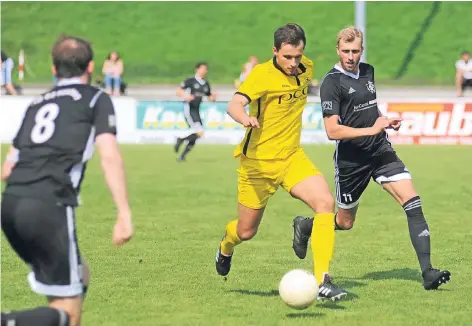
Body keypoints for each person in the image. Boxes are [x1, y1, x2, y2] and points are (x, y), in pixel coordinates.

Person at [291, 26, 451, 291]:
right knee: (345, 222)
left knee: (413, 202)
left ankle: (428, 273)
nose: (351, 56)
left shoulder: (368, 71)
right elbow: (332, 131)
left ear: (362, 50)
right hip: (352, 161)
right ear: (338, 50)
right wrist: (371, 129)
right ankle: (307, 225)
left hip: (379, 151)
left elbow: (369, 109)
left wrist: (384, 122)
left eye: (355, 51)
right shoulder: (332, 83)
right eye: (345, 51)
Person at [1, 35, 133, 326]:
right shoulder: (96, 98)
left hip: (10, 206)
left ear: (53, 68)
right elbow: (109, 154)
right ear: (90, 67)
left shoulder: (37, 104)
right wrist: (123, 213)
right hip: (49, 205)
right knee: (68, 314)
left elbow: (7, 169)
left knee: (80, 275)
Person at [214, 23, 347, 301]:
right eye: (287, 57)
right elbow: (233, 104)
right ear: (274, 51)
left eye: (297, 56)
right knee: (245, 230)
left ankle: (323, 279)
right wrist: (245, 118)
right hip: (258, 165)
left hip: (291, 157)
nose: (293, 62)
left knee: (325, 203)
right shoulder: (261, 74)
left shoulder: (306, 68)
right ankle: (226, 245)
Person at [174, 62, 217, 162]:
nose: (205, 71)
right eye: (202, 69)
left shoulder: (205, 84)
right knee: (200, 132)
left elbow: (209, 96)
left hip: (196, 111)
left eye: (206, 69)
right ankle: (180, 140)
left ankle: (182, 155)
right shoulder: (191, 81)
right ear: (197, 70)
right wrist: (185, 96)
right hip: (189, 109)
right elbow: (178, 91)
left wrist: (213, 97)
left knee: (198, 135)